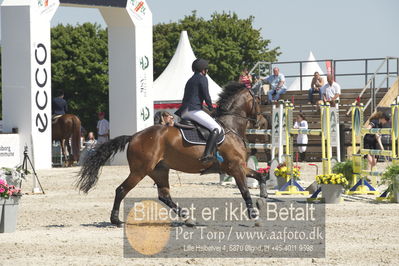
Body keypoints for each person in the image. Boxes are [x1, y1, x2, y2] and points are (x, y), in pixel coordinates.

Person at [175, 58, 222, 162]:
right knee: (216, 128)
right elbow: (206, 96)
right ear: (203, 70)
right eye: (206, 69)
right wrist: (211, 108)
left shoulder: (190, 79)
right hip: (193, 110)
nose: (207, 71)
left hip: (184, 111)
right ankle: (207, 154)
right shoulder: (202, 78)